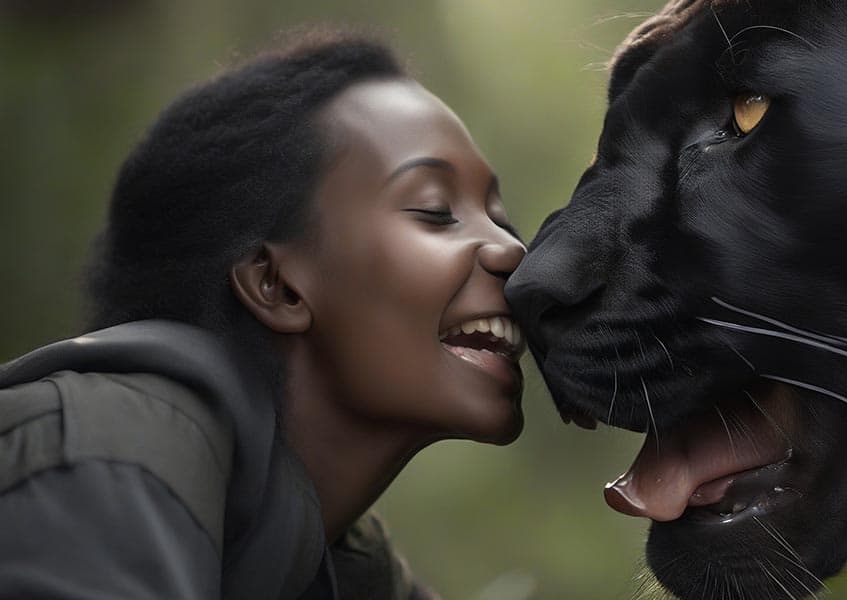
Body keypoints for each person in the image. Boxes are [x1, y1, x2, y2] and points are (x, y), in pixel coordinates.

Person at [0, 29, 526, 600]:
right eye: (435, 210)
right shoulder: (107, 457)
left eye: (500, 219)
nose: (513, 251)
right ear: (276, 285)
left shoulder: (343, 563)